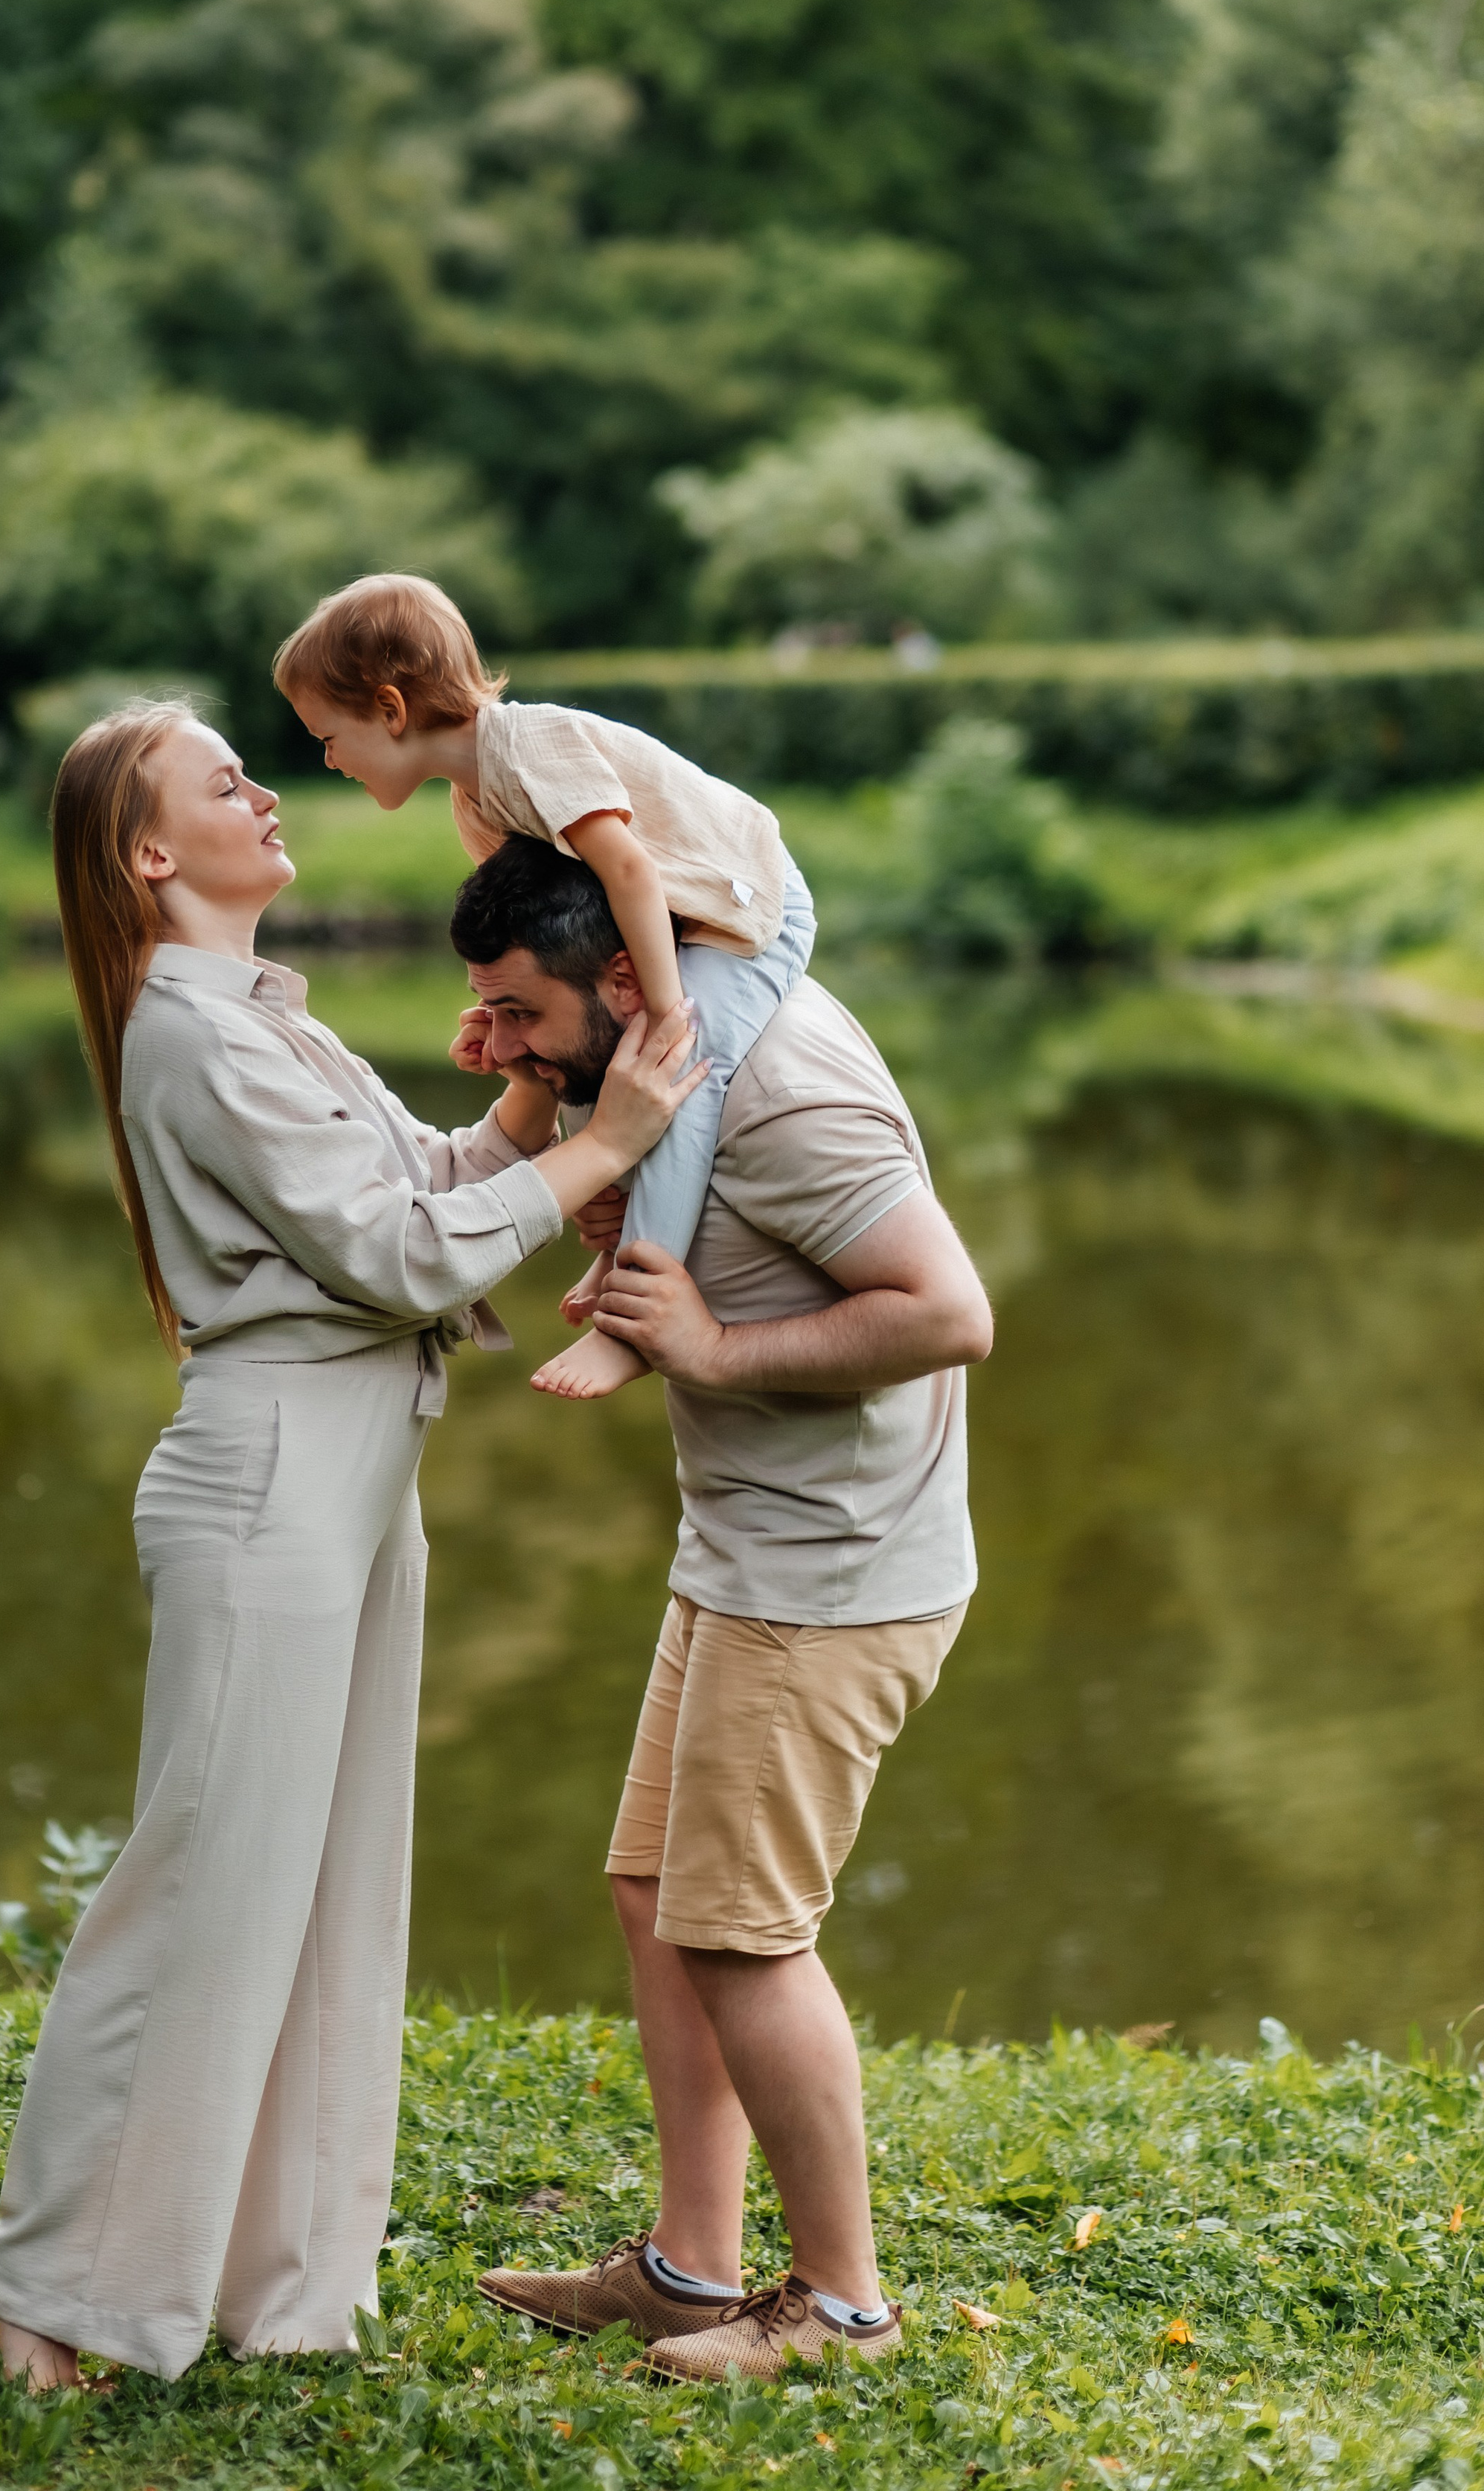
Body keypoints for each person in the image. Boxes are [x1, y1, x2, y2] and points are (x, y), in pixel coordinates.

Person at [0, 705, 703, 2391]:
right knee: (198, 1889)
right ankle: (57, 2287)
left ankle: (269, 2279)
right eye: (226, 781)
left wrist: (526, 1106)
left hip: (360, 1467)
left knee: (322, 1887)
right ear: (153, 854)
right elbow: (389, 1254)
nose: (267, 790)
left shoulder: (263, 1017)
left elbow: (414, 1191)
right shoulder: (190, 1029)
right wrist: (607, 1139)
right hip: (272, 1474)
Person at [445, 835, 994, 2385]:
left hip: (829, 1583)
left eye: (520, 1010)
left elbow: (949, 1313)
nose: (505, 1040)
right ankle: (691, 2272)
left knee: (743, 1936)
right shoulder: (666, 1049)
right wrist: (538, 1086)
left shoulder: (786, 1094)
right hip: (747, 1552)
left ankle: (841, 2311)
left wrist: (707, 1348)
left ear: (622, 975)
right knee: (652, 1893)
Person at [272, 573, 815, 1401]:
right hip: (663, 924)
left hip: (741, 903)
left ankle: (634, 1326)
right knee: (577, 1053)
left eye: (328, 735)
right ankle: (618, 1250)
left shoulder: (531, 748)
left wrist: (667, 1014)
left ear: (389, 709)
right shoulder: (474, 800)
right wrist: (502, 1018)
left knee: (673, 1073)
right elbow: (544, 953)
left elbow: (628, 867)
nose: (327, 759)